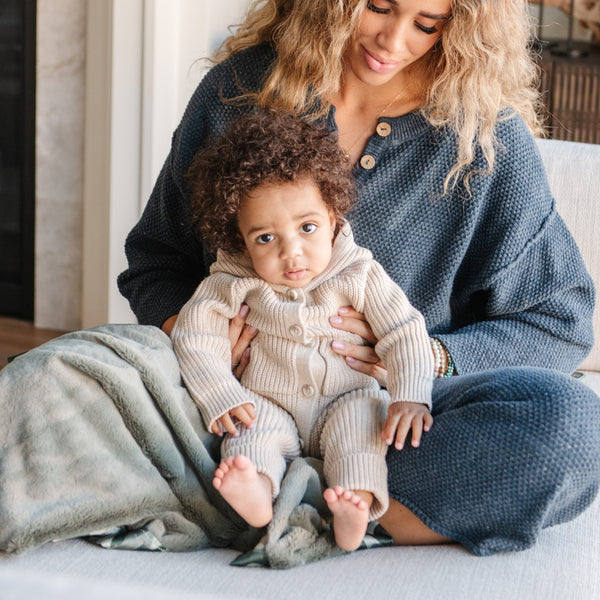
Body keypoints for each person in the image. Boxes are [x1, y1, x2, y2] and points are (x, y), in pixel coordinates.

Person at [117, 0, 600, 555]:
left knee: (574, 429)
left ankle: (308, 504)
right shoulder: (240, 90)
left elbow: (559, 323)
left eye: (426, 24)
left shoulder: (486, 141)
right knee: (61, 377)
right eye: (378, 7)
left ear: (463, 25)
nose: (392, 41)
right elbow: (155, 259)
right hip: (231, 409)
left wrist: (425, 358)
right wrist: (197, 341)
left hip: (393, 425)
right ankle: (284, 495)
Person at [171, 108, 434, 551]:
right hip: (269, 400)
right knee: (249, 431)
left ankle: (355, 507)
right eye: (265, 239)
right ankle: (255, 492)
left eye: (307, 228)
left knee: (363, 432)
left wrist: (411, 393)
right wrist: (220, 392)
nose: (292, 254)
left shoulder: (359, 272)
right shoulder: (232, 281)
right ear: (239, 237)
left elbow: (404, 330)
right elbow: (194, 336)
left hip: (346, 396)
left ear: (333, 216)